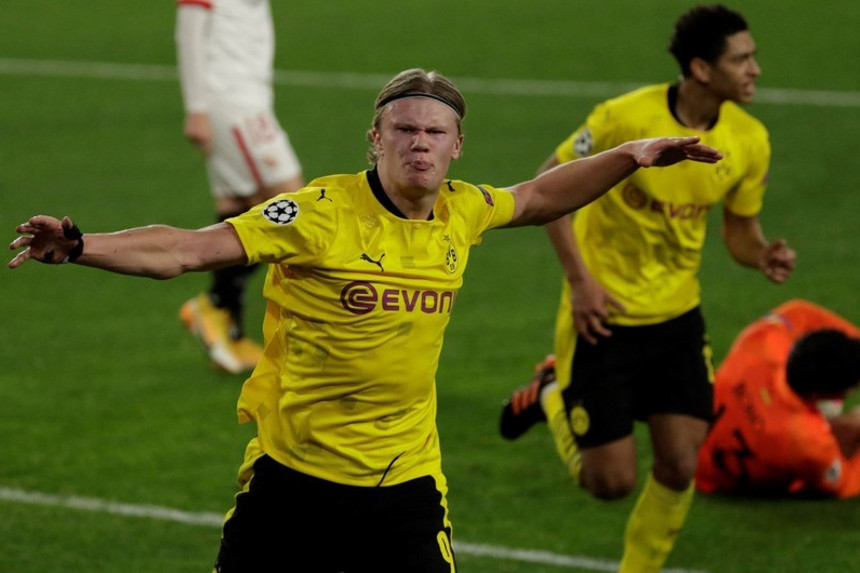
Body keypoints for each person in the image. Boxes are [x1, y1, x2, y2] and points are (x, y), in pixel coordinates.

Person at [8, 68, 721, 572]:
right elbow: (188, 249)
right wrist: (81, 245)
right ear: (374, 139)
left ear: (457, 146)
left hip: (405, 483)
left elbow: (538, 198)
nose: (420, 142)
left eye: (435, 131)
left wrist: (630, 157)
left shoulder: (463, 210)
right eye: (403, 129)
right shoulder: (317, 214)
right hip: (294, 482)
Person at [498, 5, 796, 573]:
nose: (756, 69)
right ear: (702, 69)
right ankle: (550, 392)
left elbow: (739, 231)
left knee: (680, 466)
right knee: (609, 482)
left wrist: (762, 255)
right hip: (602, 314)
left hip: (677, 317)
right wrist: (581, 282)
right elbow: (545, 187)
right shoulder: (624, 117)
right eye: (742, 59)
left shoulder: (750, 139)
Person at [175, 0, 305, 374]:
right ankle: (215, 304)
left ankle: (227, 327)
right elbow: (189, 32)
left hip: (250, 98)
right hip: (232, 103)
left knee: (238, 207)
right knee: (295, 210)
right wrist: (196, 108)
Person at [696, 299, 860, 498]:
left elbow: (799, 312)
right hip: (719, 484)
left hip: (690, 444)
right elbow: (845, 483)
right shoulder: (808, 442)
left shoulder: (763, 342)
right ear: (818, 394)